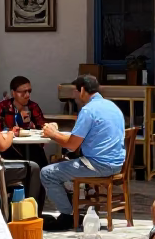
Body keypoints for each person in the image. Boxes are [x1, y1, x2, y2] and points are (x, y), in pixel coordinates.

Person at [41, 76, 125, 230]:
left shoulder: (88, 110)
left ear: (82, 91)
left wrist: (52, 133)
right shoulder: (112, 106)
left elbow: (72, 145)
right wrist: (58, 134)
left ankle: (68, 215)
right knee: (60, 164)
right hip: (117, 164)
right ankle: (71, 208)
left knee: (47, 173)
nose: (74, 96)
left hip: (97, 165)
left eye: (75, 91)